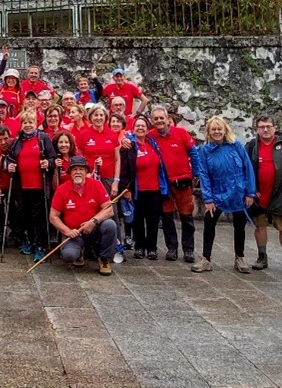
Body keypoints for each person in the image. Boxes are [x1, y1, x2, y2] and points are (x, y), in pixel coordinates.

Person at [192, 116, 256, 274]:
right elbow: (204, 175)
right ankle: (206, 258)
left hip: (238, 191)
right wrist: (208, 198)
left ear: (225, 130)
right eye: (213, 129)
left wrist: (250, 192)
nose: (217, 132)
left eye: (219, 128)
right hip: (217, 192)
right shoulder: (205, 151)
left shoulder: (236, 146)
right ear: (208, 132)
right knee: (209, 222)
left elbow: (248, 168)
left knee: (239, 225)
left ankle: (239, 257)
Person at [244, 115, 282, 277]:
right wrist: (250, 189)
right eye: (262, 127)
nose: (265, 129)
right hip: (259, 194)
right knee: (260, 226)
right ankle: (262, 257)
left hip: (281, 194)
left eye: (268, 126)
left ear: (274, 128)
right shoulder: (252, 146)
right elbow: (244, 168)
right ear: (257, 129)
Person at [3, 108, 55, 260]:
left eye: (30, 122)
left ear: (36, 123)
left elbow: (52, 158)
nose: (27, 125)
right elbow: (9, 159)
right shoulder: (17, 141)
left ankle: (40, 245)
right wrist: (9, 166)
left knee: (38, 217)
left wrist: (48, 163)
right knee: (25, 216)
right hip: (23, 186)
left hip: (39, 185)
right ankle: (31, 241)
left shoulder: (43, 138)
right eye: (24, 122)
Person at [49, 158, 117, 275]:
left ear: (86, 172)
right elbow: (53, 216)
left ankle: (104, 259)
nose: (78, 172)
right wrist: (67, 231)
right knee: (69, 255)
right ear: (70, 172)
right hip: (74, 234)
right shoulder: (62, 189)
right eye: (75, 169)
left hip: (94, 230)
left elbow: (109, 210)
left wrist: (93, 221)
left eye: (81, 169)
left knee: (110, 225)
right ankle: (79, 252)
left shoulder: (96, 185)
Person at [150, 105, 200, 263]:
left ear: (167, 119)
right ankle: (172, 247)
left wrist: (196, 174)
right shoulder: (151, 136)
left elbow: (193, 152)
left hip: (183, 181)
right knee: (166, 217)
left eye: (161, 118)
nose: (159, 121)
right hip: (164, 183)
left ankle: (188, 249)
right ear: (152, 121)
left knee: (186, 217)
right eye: (156, 118)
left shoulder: (181, 133)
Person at [118, 115, 167, 260]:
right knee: (137, 220)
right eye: (137, 126)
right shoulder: (129, 146)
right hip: (137, 189)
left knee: (153, 220)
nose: (140, 128)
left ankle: (152, 248)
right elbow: (124, 170)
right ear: (132, 129)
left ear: (147, 129)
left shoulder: (153, 143)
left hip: (155, 189)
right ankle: (139, 247)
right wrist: (126, 189)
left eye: (143, 126)